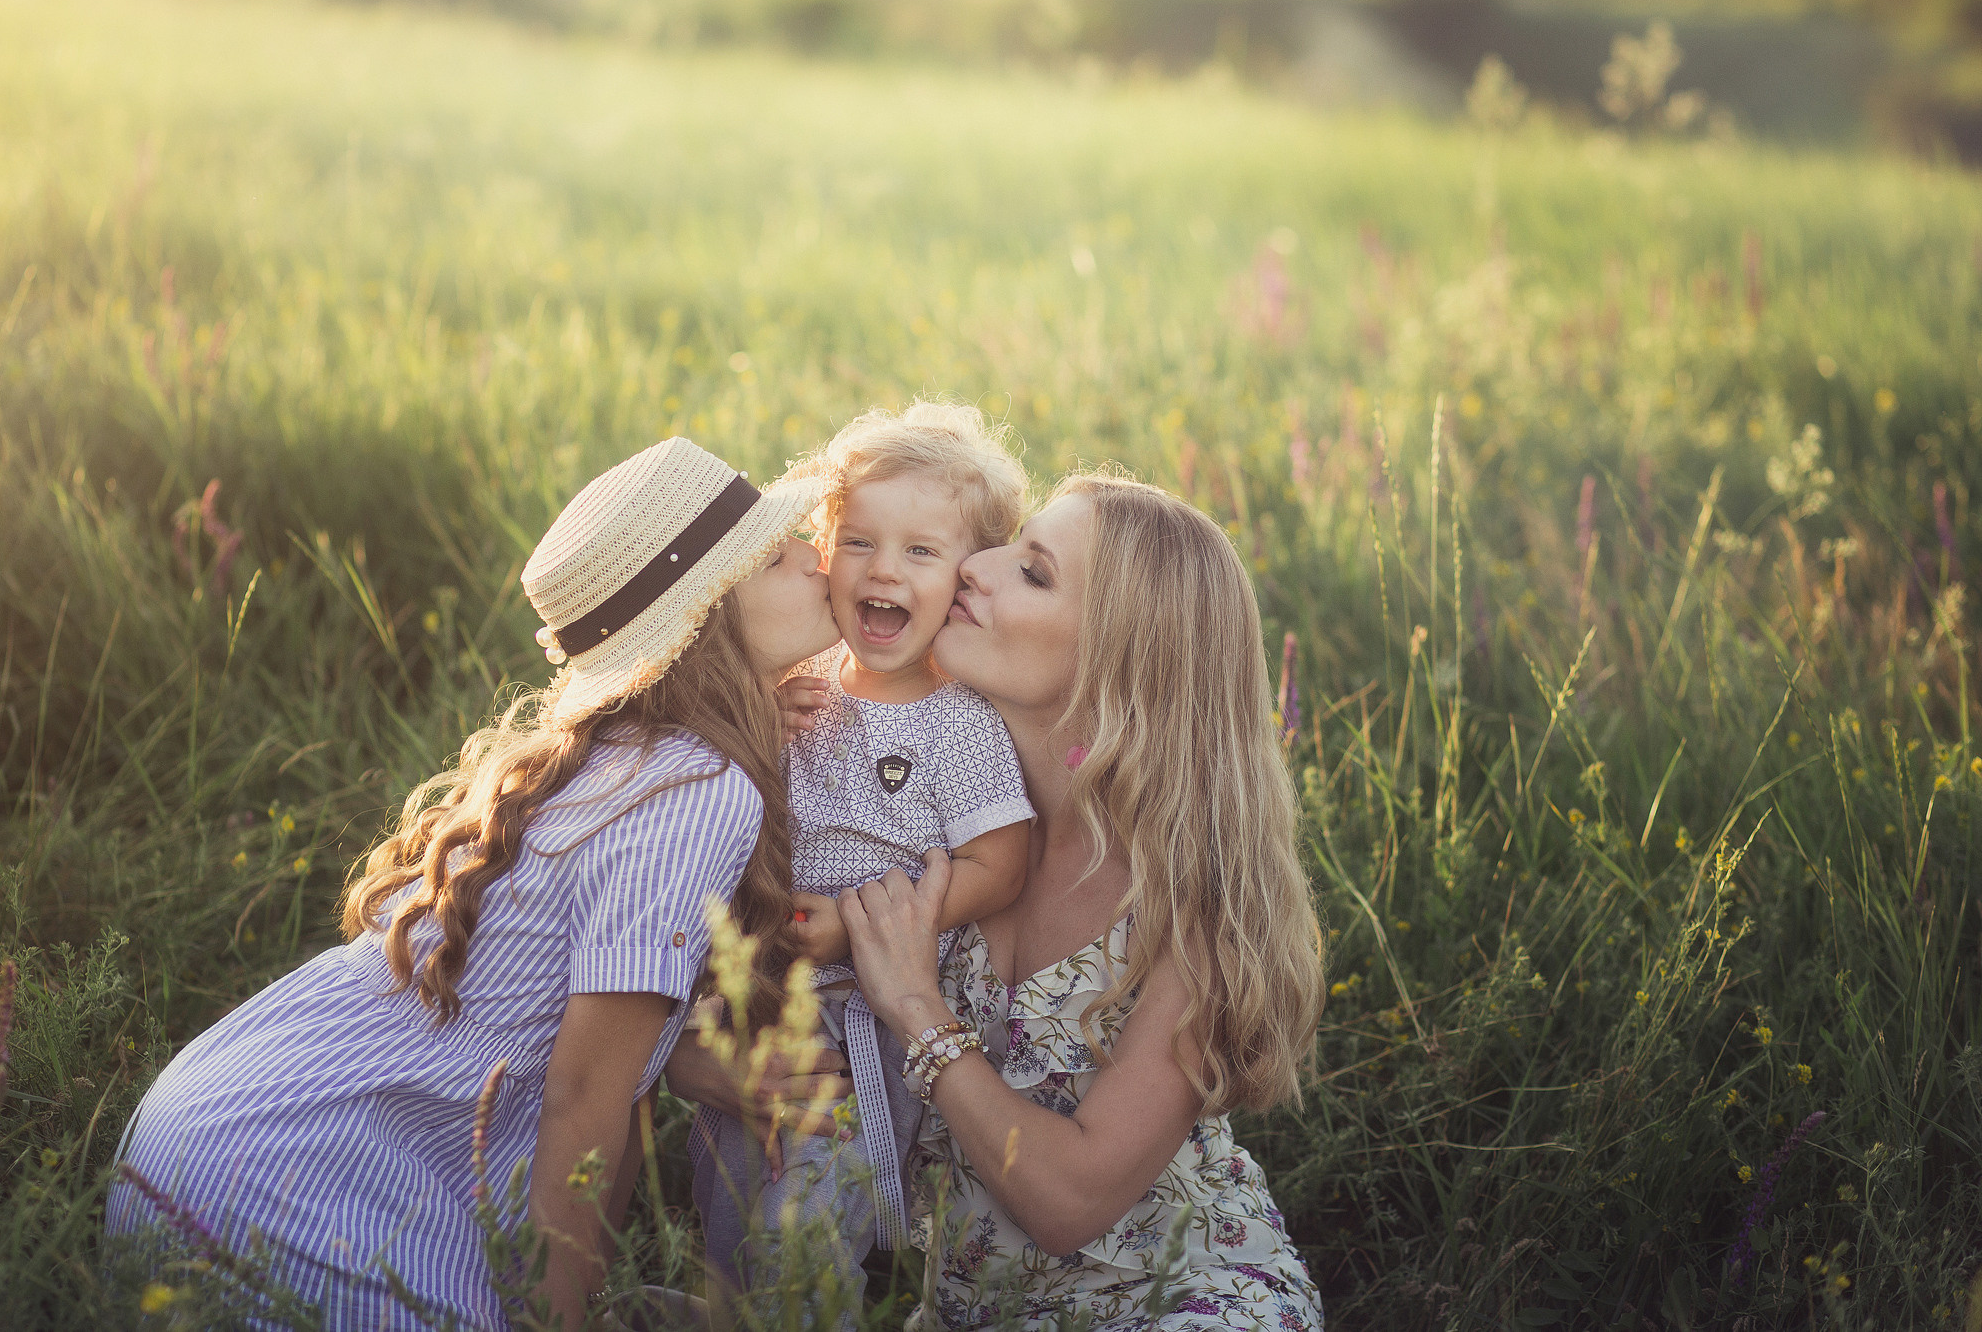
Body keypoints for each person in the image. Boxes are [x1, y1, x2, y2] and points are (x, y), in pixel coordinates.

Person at [107, 437, 838, 1332]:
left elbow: (600, 1050)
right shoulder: (696, 788)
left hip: (211, 1126)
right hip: (286, 1172)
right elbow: (584, 1095)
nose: (815, 556)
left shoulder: (626, 752)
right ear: (704, 618)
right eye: (773, 556)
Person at [835, 472, 1327, 1331]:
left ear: (1119, 657)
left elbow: (1069, 1201)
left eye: (1033, 571)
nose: (975, 568)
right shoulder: (925, 801)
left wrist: (918, 1008)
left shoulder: (1193, 904)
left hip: (1176, 1302)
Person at [688, 403, 1034, 1317]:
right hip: (765, 977)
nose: (883, 570)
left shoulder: (961, 719)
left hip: (873, 1005)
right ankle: (726, 1301)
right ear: (822, 548)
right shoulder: (800, 682)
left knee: (809, 1207)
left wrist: (864, 920)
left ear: (965, 579)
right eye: (858, 542)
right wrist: (764, 715)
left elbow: (1002, 860)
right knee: (731, 1166)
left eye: (922, 552)